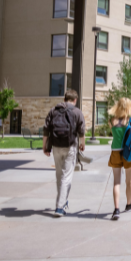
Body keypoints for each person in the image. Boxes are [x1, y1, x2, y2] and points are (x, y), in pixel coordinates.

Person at [42, 90, 85, 218]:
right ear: (75, 100)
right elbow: (81, 131)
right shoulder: (77, 112)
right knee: (66, 177)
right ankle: (60, 207)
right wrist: (83, 144)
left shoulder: (53, 110)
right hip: (70, 146)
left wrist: (45, 146)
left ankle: (63, 200)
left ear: (64, 98)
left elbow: (46, 130)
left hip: (55, 146)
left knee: (60, 175)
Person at [106, 98, 131, 221]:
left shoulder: (112, 120)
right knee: (129, 181)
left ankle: (116, 209)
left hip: (115, 152)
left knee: (116, 182)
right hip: (128, 153)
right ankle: (128, 204)